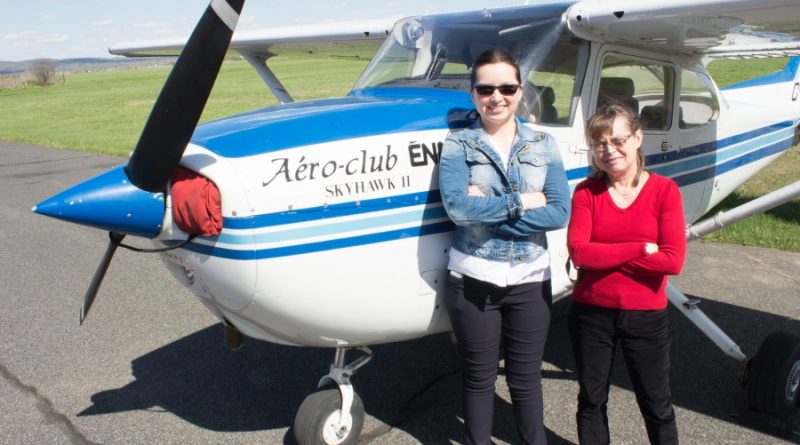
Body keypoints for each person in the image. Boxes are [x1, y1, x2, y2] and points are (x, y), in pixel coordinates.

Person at [438, 48, 571, 445]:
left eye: (507, 87)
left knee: (526, 380)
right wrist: (523, 202)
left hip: (530, 277)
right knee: (479, 379)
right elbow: (459, 210)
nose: (496, 97)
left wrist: (488, 207)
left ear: (519, 90)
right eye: (486, 88)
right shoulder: (459, 144)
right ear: (473, 92)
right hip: (474, 276)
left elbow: (560, 212)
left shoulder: (544, 144)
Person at [566, 103, 687, 444]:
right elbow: (579, 252)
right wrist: (640, 248)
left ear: (637, 139)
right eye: (600, 143)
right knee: (591, 399)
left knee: (656, 403)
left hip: (646, 316)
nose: (609, 151)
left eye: (618, 140)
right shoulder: (586, 192)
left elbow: (672, 261)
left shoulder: (664, 191)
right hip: (591, 314)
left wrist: (604, 256)